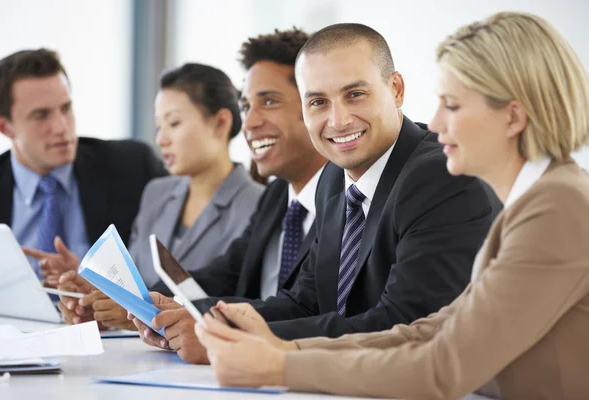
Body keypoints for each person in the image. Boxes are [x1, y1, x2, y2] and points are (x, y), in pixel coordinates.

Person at [195, 12, 589, 399]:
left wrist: (280, 367)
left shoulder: (557, 207)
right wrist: (287, 349)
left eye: (451, 105)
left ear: (513, 117)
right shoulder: (535, 201)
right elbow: (431, 330)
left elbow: (442, 364)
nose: (434, 122)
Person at [134, 24, 500, 362]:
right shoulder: (333, 180)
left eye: (355, 94)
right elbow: (306, 303)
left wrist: (231, 339)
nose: (337, 120)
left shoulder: (442, 177)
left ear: (396, 90)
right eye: (318, 102)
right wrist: (195, 314)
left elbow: (404, 324)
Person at [64, 29, 329, 339]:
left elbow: (302, 309)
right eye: (246, 107)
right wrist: (131, 301)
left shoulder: (345, 203)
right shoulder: (277, 199)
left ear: (315, 104)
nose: (251, 122)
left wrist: (192, 320)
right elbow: (219, 276)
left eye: (269, 101)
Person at [42, 63, 265, 328]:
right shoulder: (156, 193)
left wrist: (132, 312)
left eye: (174, 123)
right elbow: (134, 288)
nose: (161, 139)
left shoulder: (258, 205)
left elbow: (238, 303)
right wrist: (97, 301)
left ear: (221, 122)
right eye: (159, 126)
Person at [0, 48, 167, 285]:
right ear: (4, 127)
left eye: (65, 108)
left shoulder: (132, 166)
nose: (62, 126)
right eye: (41, 115)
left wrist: (93, 282)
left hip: (110, 321)